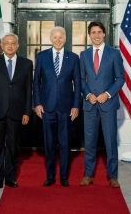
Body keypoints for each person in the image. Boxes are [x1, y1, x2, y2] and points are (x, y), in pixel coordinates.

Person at [0, 33, 33, 188]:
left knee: (13, 147)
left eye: (13, 43)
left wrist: (27, 112)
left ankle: (10, 178)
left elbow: (28, 90)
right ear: (2, 46)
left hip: (17, 112)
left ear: (17, 46)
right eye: (7, 43)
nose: (10, 46)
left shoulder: (26, 64)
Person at [33, 26, 81, 187]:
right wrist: (37, 103)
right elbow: (36, 83)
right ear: (51, 39)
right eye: (55, 37)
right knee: (49, 143)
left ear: (65, 39)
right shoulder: (41, 57)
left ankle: (64, 177)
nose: (58, 40)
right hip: (47, 108)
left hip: (66, 109)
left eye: (61, 37)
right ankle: (50, 176)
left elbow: (78, 85)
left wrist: (76, 106)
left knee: (65, 144)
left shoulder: (73, 58)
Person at [79, 21, 125, 188]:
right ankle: (88, 175)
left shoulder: (114, 54)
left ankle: (113, 176)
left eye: (99, 32)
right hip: (89, 105)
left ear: (104, 34)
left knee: (110, 141)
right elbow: (81, 80)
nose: (96, 35)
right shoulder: (84, 55)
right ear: (89, 35)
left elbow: (120, 78)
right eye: (93, 32)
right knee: (89, 141)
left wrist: (107, 94)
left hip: (108, 103)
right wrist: (88, 94)